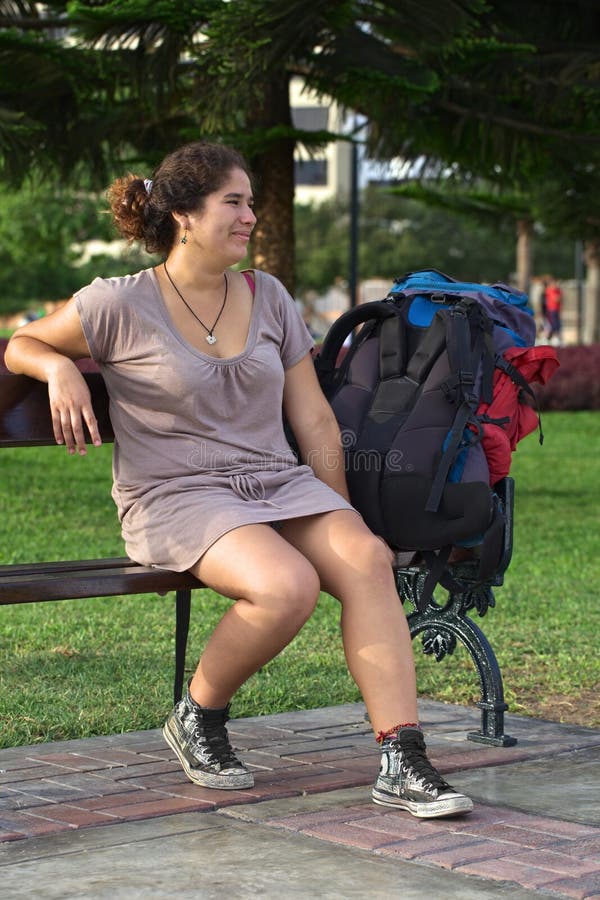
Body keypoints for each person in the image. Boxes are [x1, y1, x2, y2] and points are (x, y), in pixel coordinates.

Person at [5, 141, 472, 819]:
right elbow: (24, 342)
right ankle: (199, 712)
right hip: (176, 494)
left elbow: (312, 417)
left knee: (366, 559)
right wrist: (57, 369)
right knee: (286, 586)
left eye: (250, 202)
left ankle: (404, 758)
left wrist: (335, 514)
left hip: (275, 483)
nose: (251, 215)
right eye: (235, 202)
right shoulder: (118, 303)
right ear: (184, 217)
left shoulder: (269, 296)